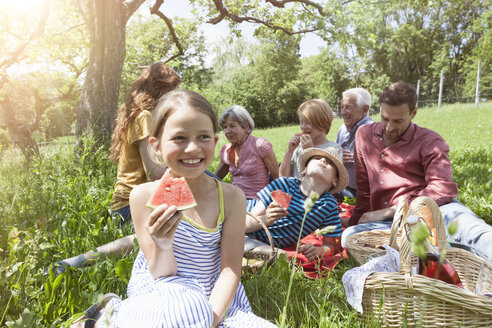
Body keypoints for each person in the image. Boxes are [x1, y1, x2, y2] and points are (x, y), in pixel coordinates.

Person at [72, 89, 277, 328]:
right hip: (164, 291)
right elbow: (160, 272)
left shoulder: (232, 197)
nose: (192, 148)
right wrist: (162, 244)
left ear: (215, 141)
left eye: (203, 137)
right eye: (179, 138)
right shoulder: (142, 196)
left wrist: (209, 320)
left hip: (218, 298)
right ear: (156, 146)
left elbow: (230, 271)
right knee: (183, 310)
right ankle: (107, 316)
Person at [341, 81, 492, 262]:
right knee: (349, 236)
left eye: (398, 121)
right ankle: (431, 253)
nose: (389, 127)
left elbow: (441, 187)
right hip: (390, 224)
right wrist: (355, 220)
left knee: (474, 233)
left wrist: (395, 210)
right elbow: (364, 189)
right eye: (385, 118)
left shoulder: (429, 140)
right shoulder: (364, 135)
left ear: (413, 113)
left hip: (433, 209)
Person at [51, 63, 181, 274]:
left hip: (124, 202)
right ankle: (74, 263)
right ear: (160, 90)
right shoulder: (145, 117)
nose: (174, 97)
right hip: (131, 205)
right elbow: (154, 172)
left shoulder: (136, 114)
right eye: (172, 91)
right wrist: (198, 176)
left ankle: (73, 266)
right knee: (157, 234)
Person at [245, 147, 348, 260]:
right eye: (317, 158)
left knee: (280, 256)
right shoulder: (284, 185)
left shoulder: (328, 205)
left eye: (330, 163)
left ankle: (245, 254)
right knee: (233, 234)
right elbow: (246, 222)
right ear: (304, 169)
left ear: (335, 181)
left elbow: (330, 245)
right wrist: (266, 219)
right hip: (242, 221)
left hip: (263, 243)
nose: (323, 160)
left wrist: (318, 251)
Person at [215, 105, 279, 211]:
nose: (227, 131)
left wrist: (277, 205)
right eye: (225, 127)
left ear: (246, 126)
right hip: (234, 200)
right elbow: (214, 179)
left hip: (257, 202)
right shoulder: (226, 151)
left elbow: (278, 178)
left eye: (232, 126)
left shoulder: (260, 145)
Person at [279, 99, 342, 179]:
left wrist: (309, 152)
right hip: (295, 190)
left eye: (308, 122)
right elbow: (282, 177)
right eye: (301, 122)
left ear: (323, 122)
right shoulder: (299, 148)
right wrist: (289, 151)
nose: (303, 127)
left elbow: (320, 181)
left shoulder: (334, 150)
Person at [335, 88, 374, 198]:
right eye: (342, 107)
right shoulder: (342, 129)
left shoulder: (372, 131)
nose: (343, 112)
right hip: (340, 187)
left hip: (361, 195)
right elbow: (334, 155)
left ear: (364, 110)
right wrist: (337, 158)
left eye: (348, 107)